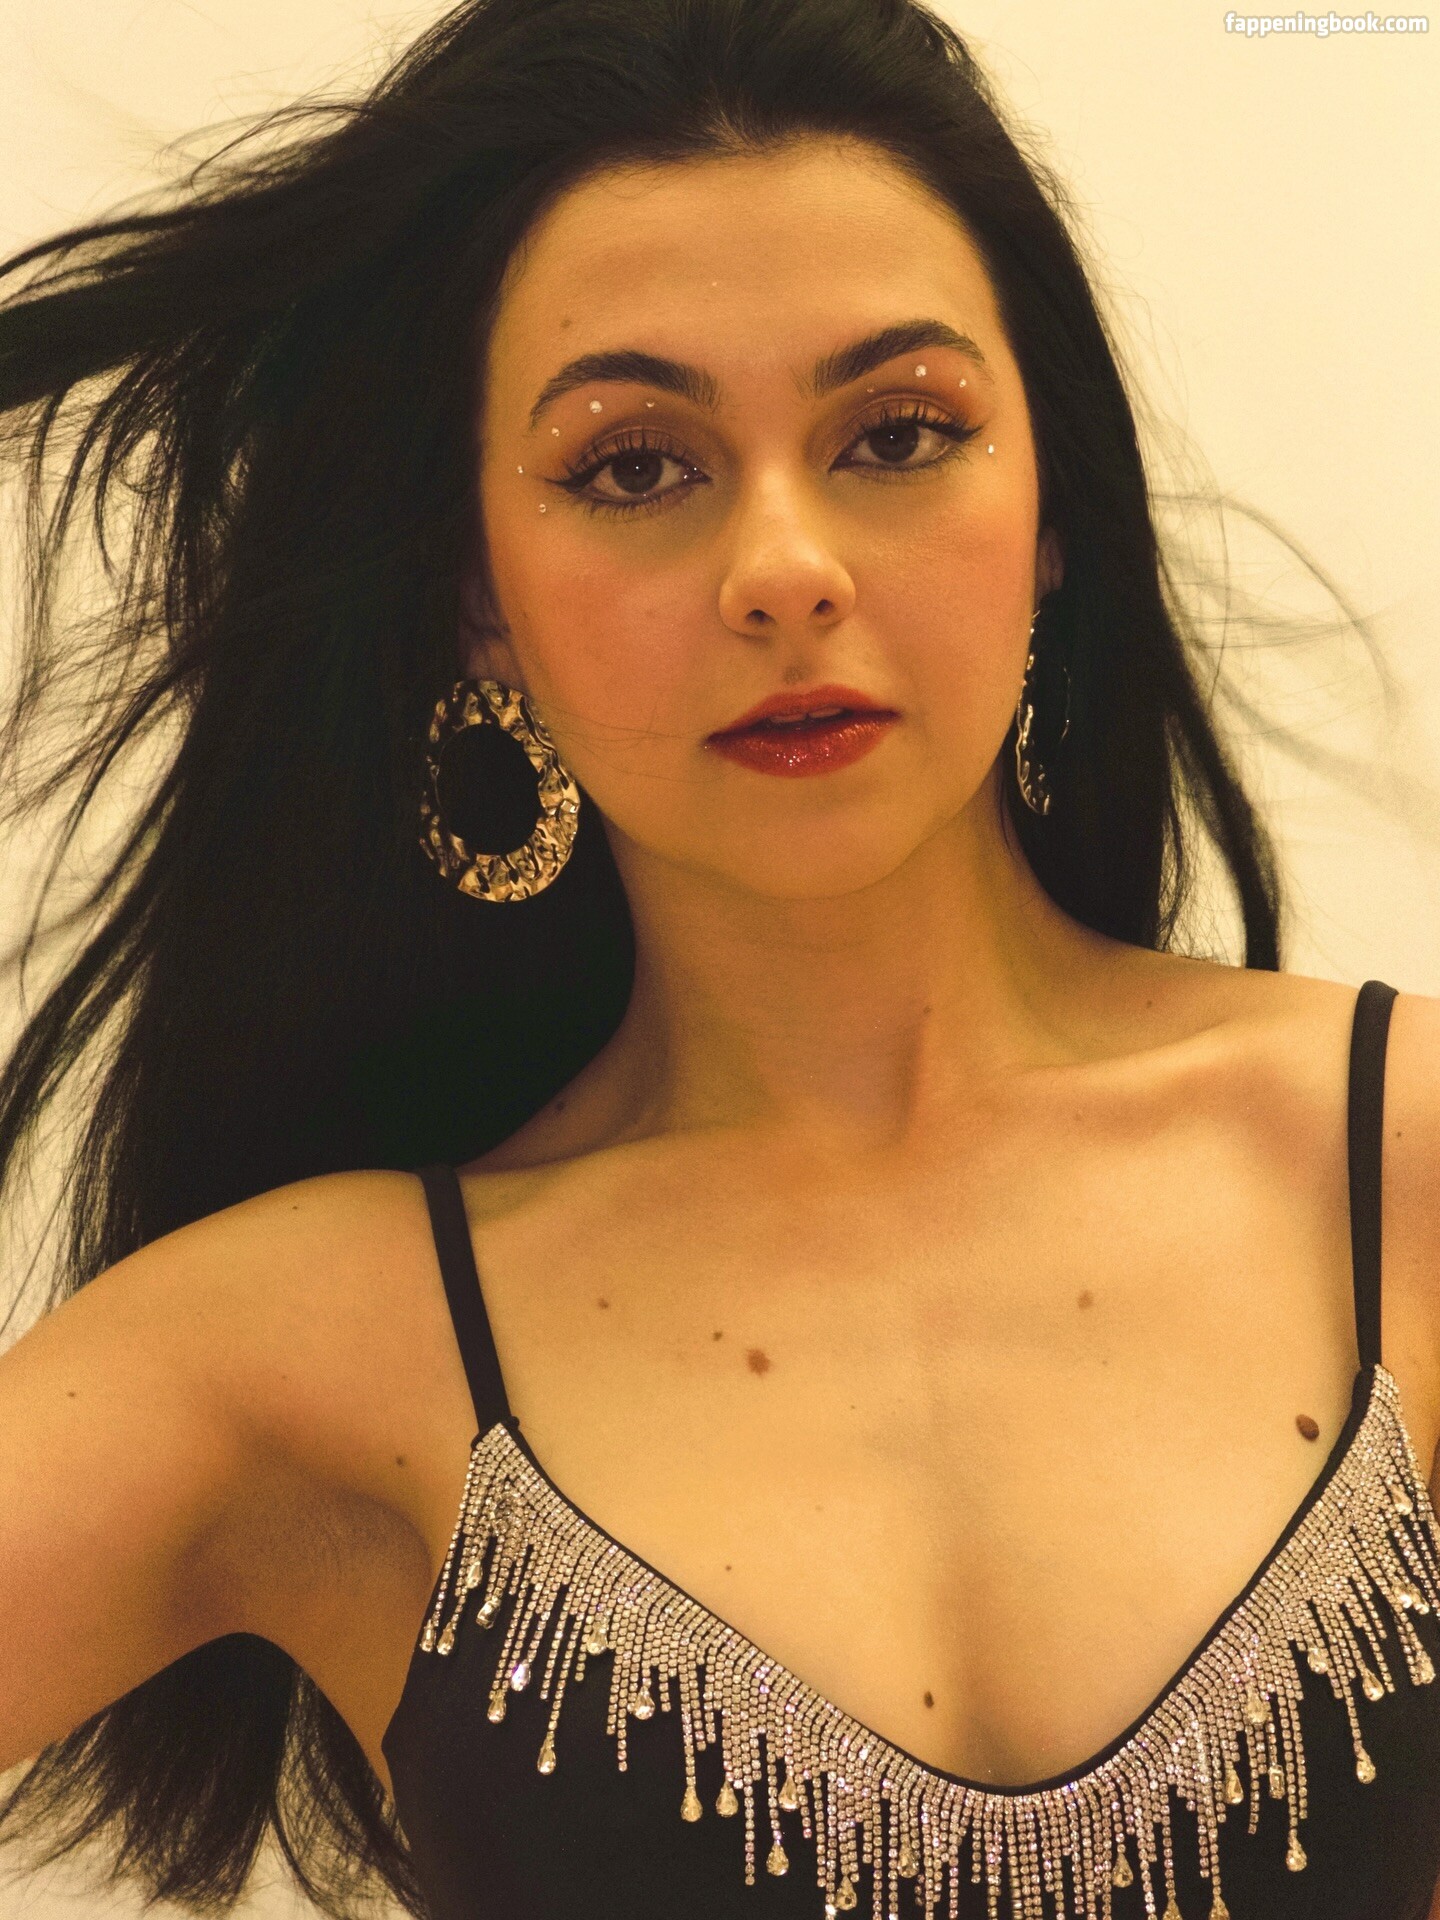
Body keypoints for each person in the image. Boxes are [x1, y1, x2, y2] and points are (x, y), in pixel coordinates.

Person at [0, 0, 1437, 1915]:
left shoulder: (1403, 1171)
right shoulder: (310, 1357)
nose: (784, 567)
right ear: (478, 601)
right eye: (633, 467)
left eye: (898, 434)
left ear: (1053, 514)